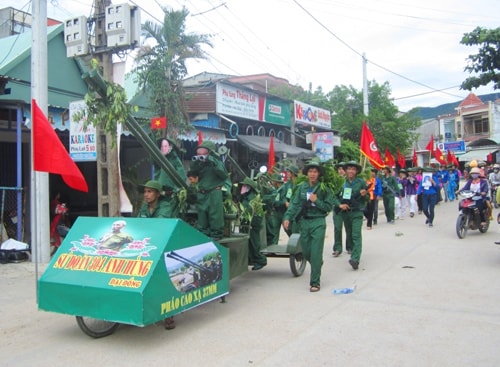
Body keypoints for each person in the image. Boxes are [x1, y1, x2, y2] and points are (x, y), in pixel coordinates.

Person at [283, 160, 334, 292]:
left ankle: (315, 282)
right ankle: (317, 263)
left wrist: (316, 201)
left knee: (316, 252)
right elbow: (294, 203)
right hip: (304, 223)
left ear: (318, 174)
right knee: (305, 252)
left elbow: (329, 207)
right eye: (310, 171)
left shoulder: (324, 188)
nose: (312, 174)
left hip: (318, 221)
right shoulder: (302, 187)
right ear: (307, 173)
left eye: (315, 172)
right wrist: (287, 217)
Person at [136, 179, 177, 330]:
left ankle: (169, 315)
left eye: (150, 191)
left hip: (165, 244)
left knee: (164, 279)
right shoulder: (144, 207)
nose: (146, 195)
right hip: (149, 245)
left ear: (158, 194)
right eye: (145, 192)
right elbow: (138, 224)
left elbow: (159, 225)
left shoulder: (165, 206)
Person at [189, 141, 228, 240]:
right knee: (202, 216)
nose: (201, 156)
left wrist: (211, 160)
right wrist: (196, 161)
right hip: (202, 193)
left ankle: (216, 236)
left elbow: (223, 174)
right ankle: (203, 235)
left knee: (215, 216)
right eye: (199, 154)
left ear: (210, 153)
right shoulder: (200, 163)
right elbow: (193, 172)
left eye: (204, 154)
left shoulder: (216, 161)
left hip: (214, 192)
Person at [335, 161, 368, 270]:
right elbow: (335, 197)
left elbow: (367, 199)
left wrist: (364, 195)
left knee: (356, 235)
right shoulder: (341, 183)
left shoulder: (361, 182)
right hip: (345, 213)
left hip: (357, 212)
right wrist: (340, 205)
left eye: (353, 169)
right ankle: (353, 251)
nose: (351, 171)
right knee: (349, 234)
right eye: (349, 169)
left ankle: (355, 259)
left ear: (357, 171)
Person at [239, 177, 267, 270]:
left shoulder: (253, 198)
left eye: (245, 186)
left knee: (254, 244)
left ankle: (261, 260)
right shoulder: (245, 197)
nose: (243, 187)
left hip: (253, 224)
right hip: (246, 223)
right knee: (248, 243)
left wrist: (252, 224)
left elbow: (257, 213)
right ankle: (251, 259)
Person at [265, 173, 287, 245]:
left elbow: (284, 200)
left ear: (276, 181)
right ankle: (273, 247)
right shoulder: (274, 189)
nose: (271, 182)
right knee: (274, 231)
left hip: (283, 212)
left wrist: (278, 203)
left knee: (288, 229)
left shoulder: (284, 188)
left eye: (273, 181)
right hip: (276, 212)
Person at [332, 162, 347, 256]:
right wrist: (338, 204)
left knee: (349, 229)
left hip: (348, 208)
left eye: (343, 169)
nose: (341, 171)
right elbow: (332, 195)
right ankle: (337, 248)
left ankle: (349, 246)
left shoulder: (349, 181)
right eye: (339, 169)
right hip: (338, 209)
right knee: (337, 228)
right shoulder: (334, 182)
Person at [283, 165, 300, 236]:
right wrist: (285, 202)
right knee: (287, 228)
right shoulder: (287, 184)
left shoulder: (300, 184)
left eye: (289, 172)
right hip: (289, 208)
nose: (287, 173)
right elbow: (283, 195)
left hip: (297, 209)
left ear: (293, 173)